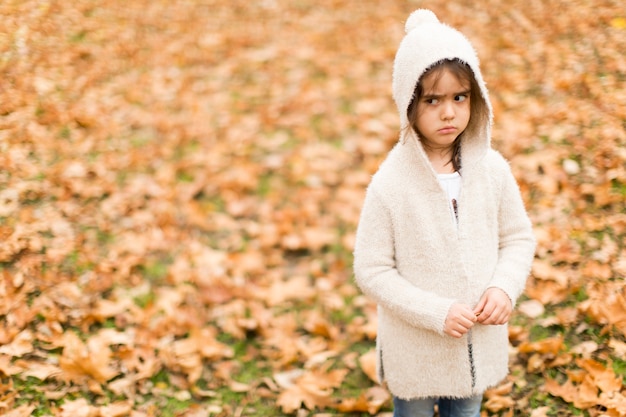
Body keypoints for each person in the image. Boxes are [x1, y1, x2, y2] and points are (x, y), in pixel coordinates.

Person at [352, 9, 536, 417]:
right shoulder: (390, 185)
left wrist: (504, 287)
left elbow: (517, 238)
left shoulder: (492, 170)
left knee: (465, 412)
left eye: (459, 97)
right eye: (432, 100)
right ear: (408, 103)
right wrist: (435, 312)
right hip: (415, 351)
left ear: (476, 96)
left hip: (476, 345)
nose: (449, 112)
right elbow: (372, 269)